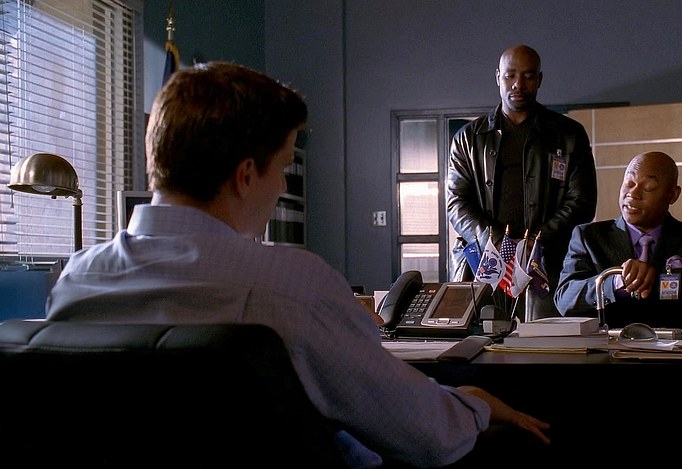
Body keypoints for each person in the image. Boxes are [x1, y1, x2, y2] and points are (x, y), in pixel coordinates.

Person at [44, 62, 550, 468]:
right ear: (246, 175)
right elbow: (427, 434)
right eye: (284, 166)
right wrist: (474, 403)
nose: (284, 185)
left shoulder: (76, 281)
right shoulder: (290, 284)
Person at [447, 44, 597, 321]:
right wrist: (496, 242)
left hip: (548, 263)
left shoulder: (568, 134)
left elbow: (582, 201)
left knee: (545, 340)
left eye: (528, 76)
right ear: (498, 77)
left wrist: (535, 242)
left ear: (539, 79)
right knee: (482, 337)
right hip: (485, 262)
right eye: (510, 75)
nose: (518, 84)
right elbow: (456, 203)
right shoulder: (468, 138)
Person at [555, 151, 682, 336]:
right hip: (608, 350)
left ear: (672, 195)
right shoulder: (588, 237)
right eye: (629, 183)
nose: (633, 194)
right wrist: (616, 282)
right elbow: (565, 300)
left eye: (648, 187)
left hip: (675, 350)